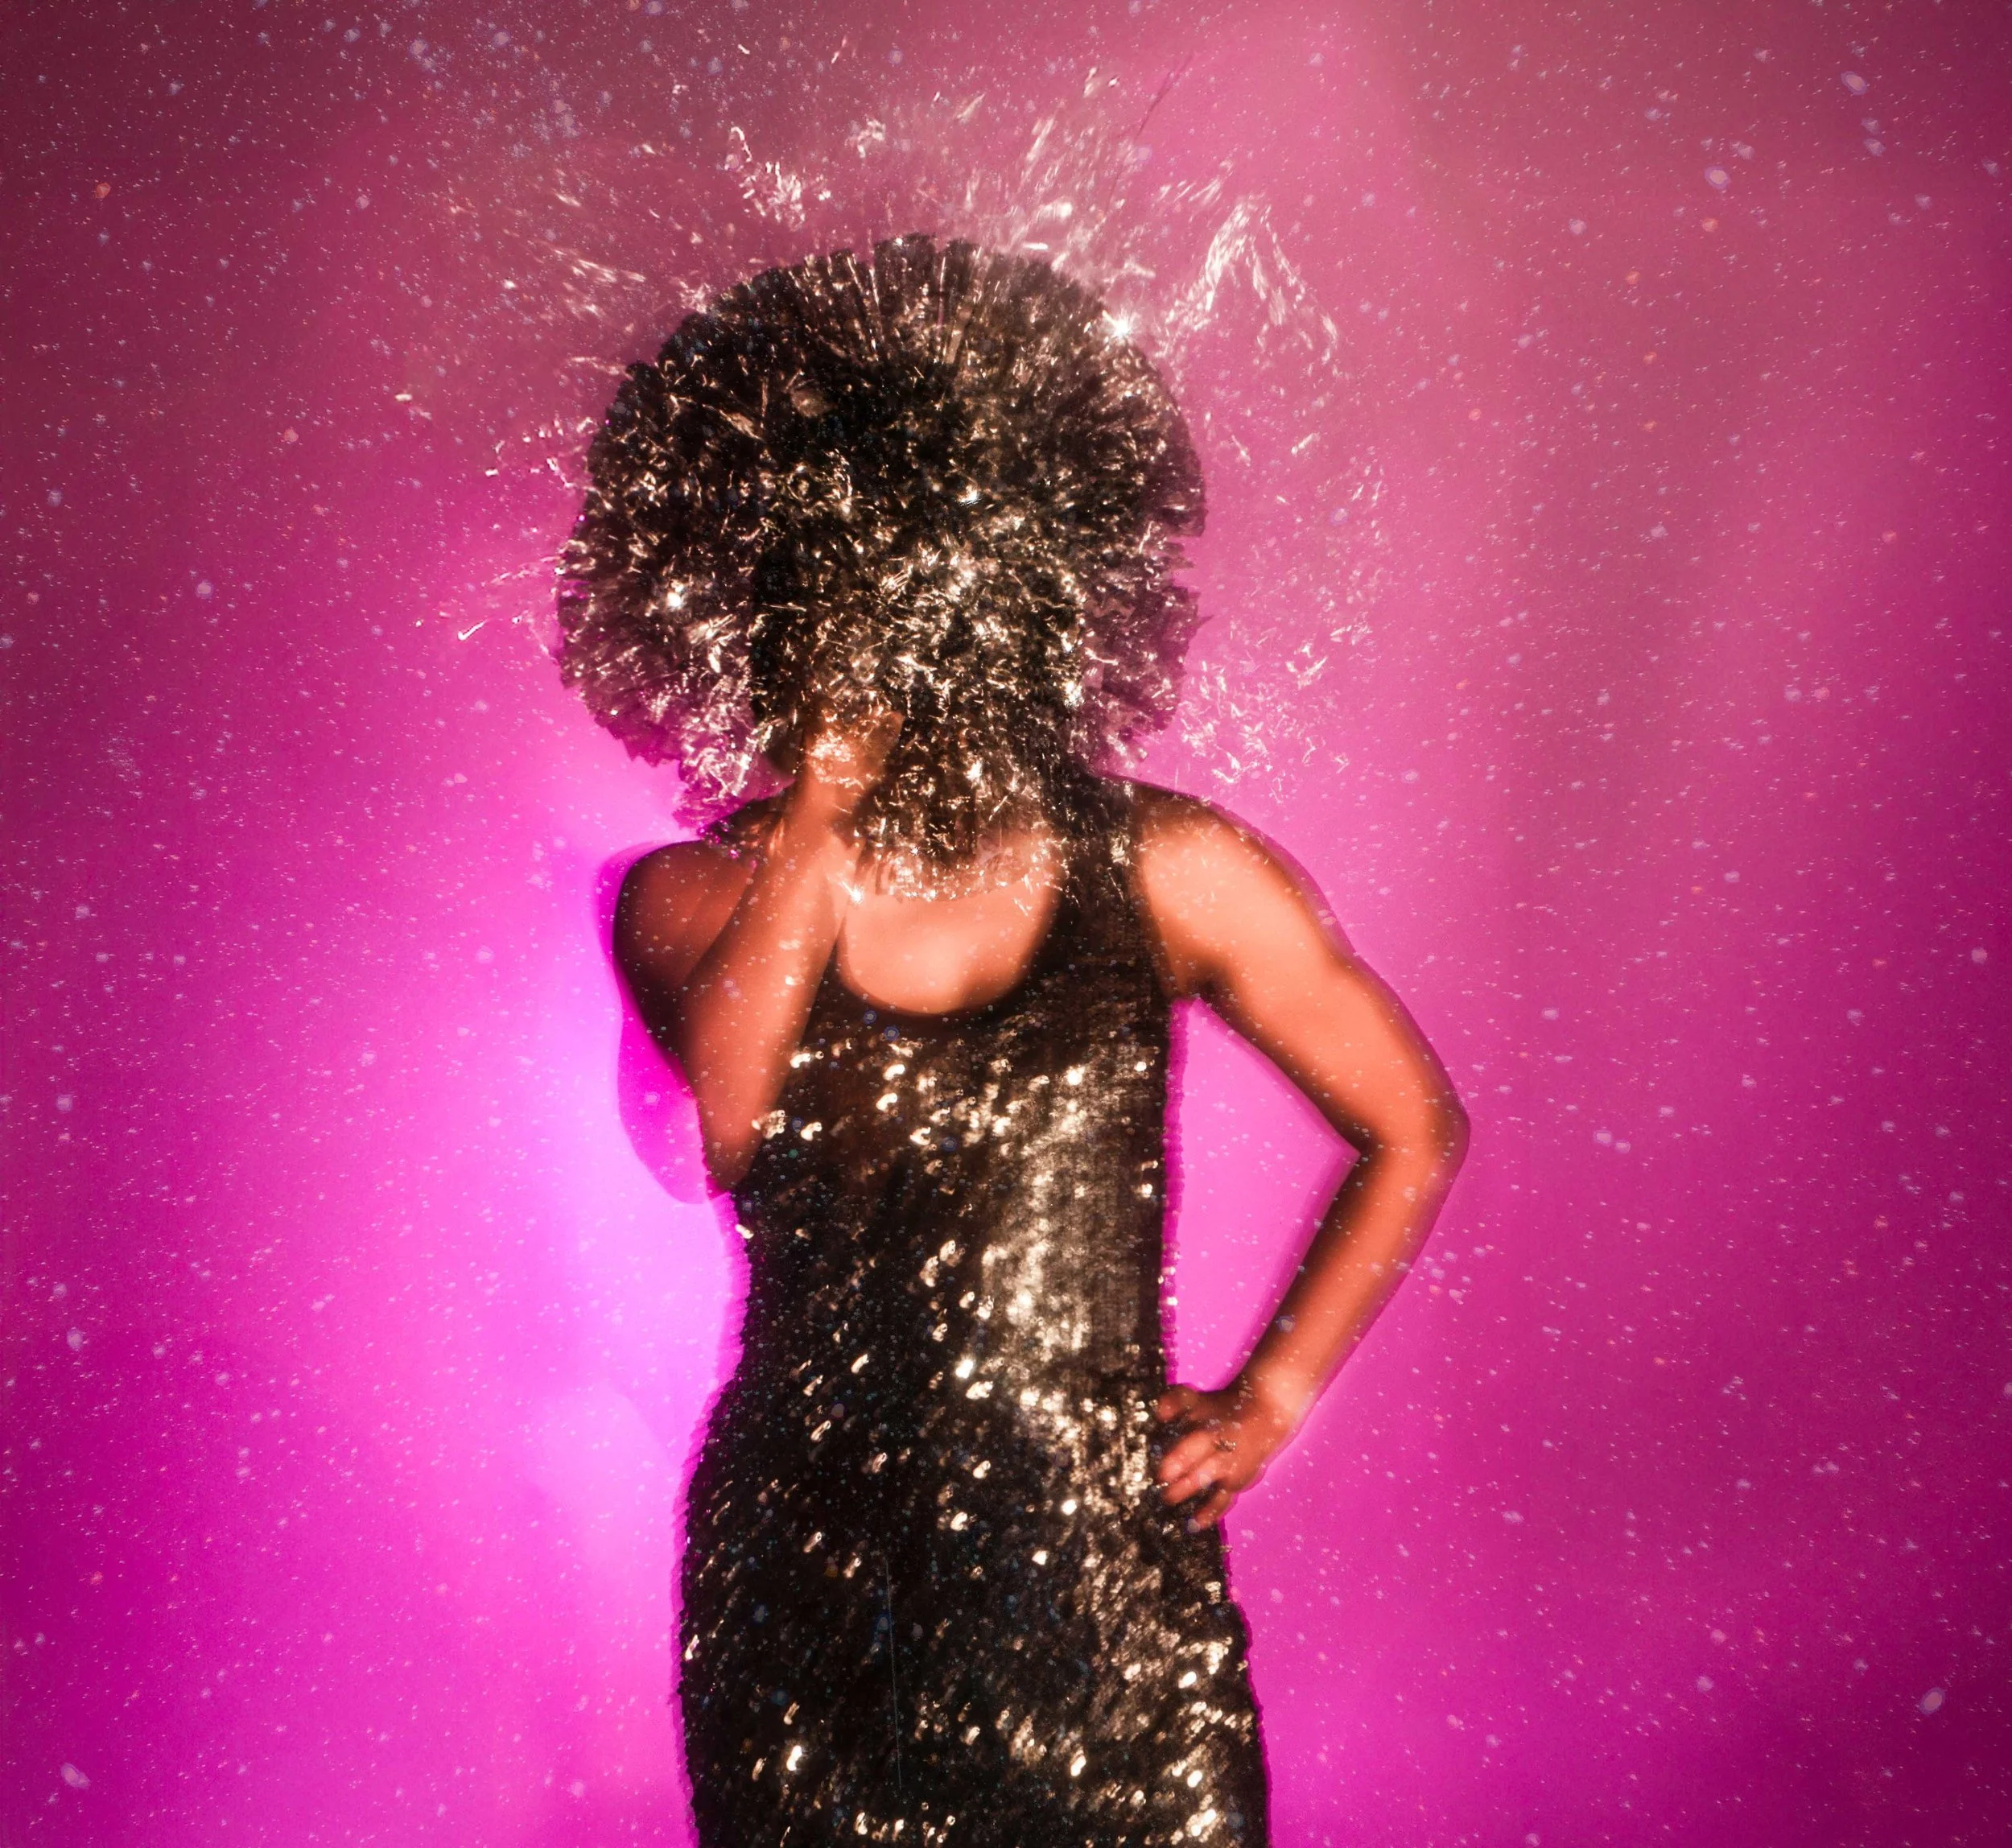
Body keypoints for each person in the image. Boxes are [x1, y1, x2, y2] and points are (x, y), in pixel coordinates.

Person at [557, 234, 1467, 1848]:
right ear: (767, 598)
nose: (891, 630)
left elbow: (1413, 1121)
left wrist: (1269, 1399)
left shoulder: (1170, 868)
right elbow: (731, 1120)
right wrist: (827, 806)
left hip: (1104, 1602)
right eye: (840, 586)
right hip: (814, 1599)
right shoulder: (691, 896)